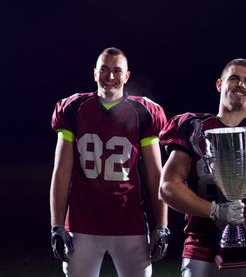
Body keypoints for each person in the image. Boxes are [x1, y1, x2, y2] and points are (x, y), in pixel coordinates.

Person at [159, 58, 246, 277]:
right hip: (201, 249)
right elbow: (167, 187)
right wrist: (215, 211)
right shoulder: (193, 127)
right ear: (219, 84)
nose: (240, 85)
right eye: (234, 78)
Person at [49, 47, 170, 277]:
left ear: (127, 76)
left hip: (129, 223)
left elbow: (156, 175)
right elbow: (61, 171)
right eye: (104, 69)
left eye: (117, 70)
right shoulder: (74, 108)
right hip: (81, 224)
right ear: (95, 73)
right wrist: (56, 224)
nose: (110, 76)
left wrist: (162, 225)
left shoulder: (143, 112)